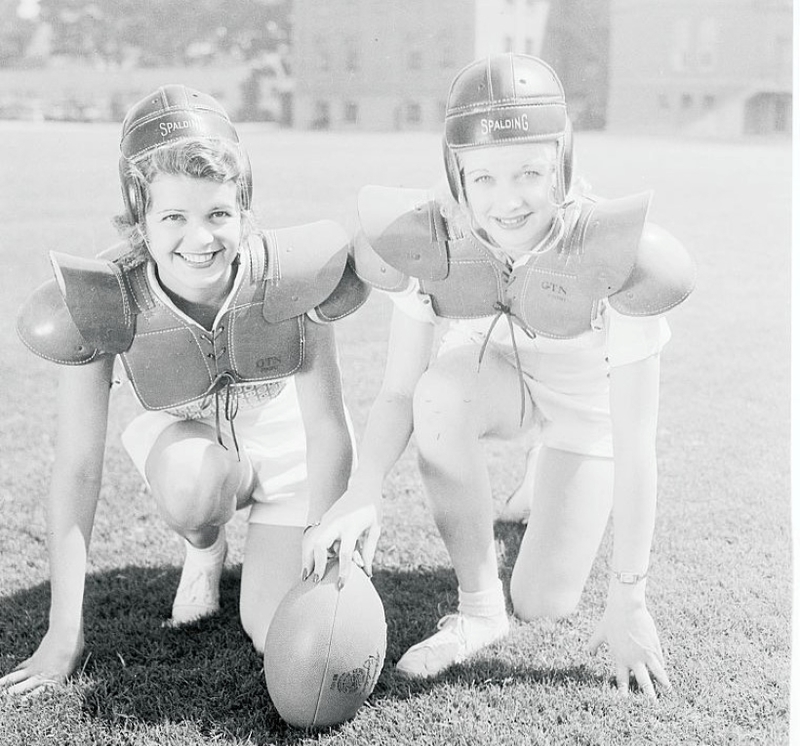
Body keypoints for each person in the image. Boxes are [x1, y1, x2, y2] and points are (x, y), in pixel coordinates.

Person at [302, 54, 694, 696]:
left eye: (530, 173)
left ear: (562, 165)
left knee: (544, 600)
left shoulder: (614, 254)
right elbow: (401, 390)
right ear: (456, 175)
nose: (507, 200)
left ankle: (549, 472)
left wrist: (630, 595)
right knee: (438, 394)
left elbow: (635, 439)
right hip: (496, 376)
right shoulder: (437, 239)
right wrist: (362, 489)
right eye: (482, 176)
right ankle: (479, 610)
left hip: (583, 411)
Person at [1, 85, 368, 695]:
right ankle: (206, 546)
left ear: (244, 210)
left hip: (288, 452)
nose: (200, 239)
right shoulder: (103, 297)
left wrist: (323, 547)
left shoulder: (290, 277)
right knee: (197, 487)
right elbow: (77, 467)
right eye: (173, 217)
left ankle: (270, 561)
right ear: (138, 218)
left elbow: (327, 427)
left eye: (218, 215)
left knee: (282, 631)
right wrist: (63, 632)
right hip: (191, 452)